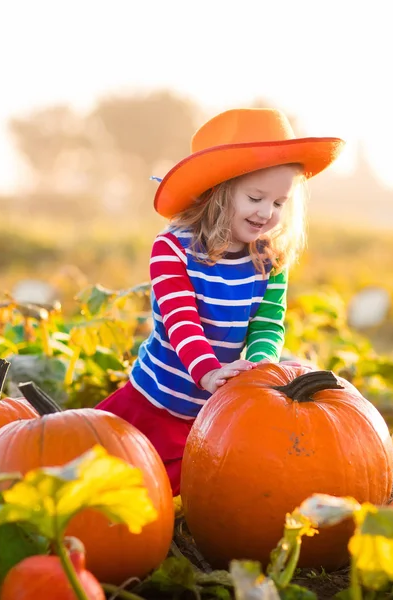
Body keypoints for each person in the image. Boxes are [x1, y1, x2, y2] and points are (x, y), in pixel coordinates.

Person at [96, 107, 345, 495]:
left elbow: (268, 322)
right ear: (219, 190)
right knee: (97, 465)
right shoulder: (173, 250)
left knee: (188, 490)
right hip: (155, 399)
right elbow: (182, 322)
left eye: (279, 203)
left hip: (209, 416)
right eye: (255, 197)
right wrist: (209, 372)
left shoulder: (269, 260)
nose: (266, 213)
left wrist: (262, 367)